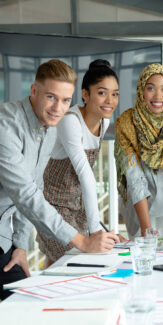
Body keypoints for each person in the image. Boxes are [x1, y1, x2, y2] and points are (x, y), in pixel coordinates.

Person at [0, 59, 119, 299]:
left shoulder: (50, 126)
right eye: (51, 97)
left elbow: (34, 186)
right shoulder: (6, 125)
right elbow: (25, 194)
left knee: (27, 300)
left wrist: (20, 246)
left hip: (4, 238)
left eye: (65, 100)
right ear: (34, 91)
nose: (58, 108)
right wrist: (82, 242)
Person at [36, 59, 124, 266]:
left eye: (115, 94)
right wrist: (95, 231)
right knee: (74, 260)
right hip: (54, 205)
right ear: (85, 94)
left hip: (78, 206)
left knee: (61, 262)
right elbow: (85, 174)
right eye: (102, 93)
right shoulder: (70, 121)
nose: (110, 100)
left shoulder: (104, 120)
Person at [115, 63, 163, 239]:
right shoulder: (127, 123)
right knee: (144, 251)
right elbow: (134, 176)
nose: (158, 96)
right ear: (141, 90)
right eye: (150, 88)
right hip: (139, 208)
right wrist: (146, 229)